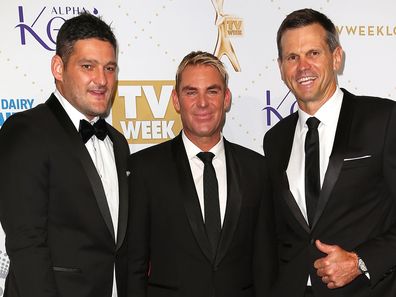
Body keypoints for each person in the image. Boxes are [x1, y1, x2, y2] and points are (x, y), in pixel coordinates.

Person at [263, 8, 396, 297]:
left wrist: (361, 261)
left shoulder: (383, 120)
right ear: (280, 67)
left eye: (313, 53)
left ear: (336, 57)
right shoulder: (275, 140)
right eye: (292, 57)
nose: (303, 67)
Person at [0, 12, 129, 297]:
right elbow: (26, 245)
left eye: (110, 68)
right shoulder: (26, 131)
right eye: (88, 66)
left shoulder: (118, 143)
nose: (102, 80)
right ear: (58, 68)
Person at [127, 51, 275, 297]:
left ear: (226, 98)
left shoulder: (257, 169)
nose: (203, 103)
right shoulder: (145, 169)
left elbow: (265, 264)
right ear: (176, 100)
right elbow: (134, 265)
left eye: (212, 91)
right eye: (191, 92)